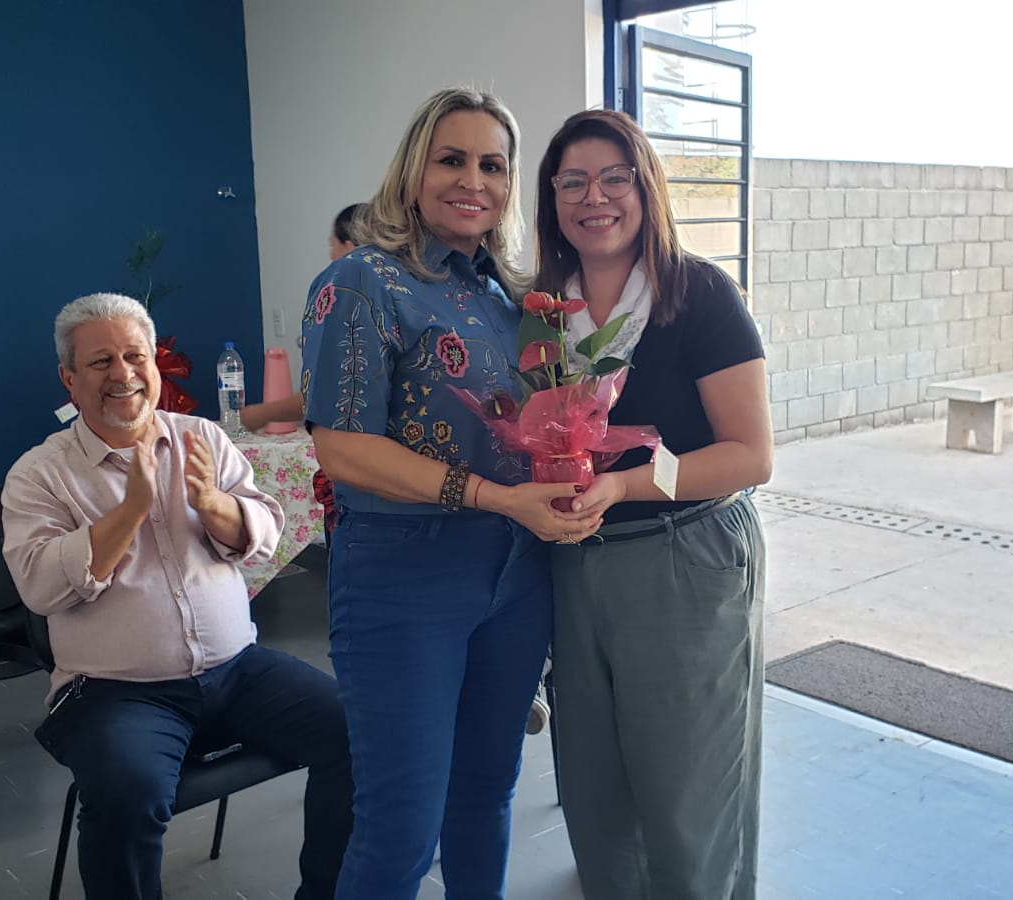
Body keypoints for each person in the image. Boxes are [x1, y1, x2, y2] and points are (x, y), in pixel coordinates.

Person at [300, 87, 592, 900]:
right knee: (401, 826)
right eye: (451, 159)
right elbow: (342, 447)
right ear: (413, 169)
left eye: (492, 165)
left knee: (486, 793)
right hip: (403, 581)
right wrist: (496, 498)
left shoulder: (512, 296)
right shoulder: (360, 281)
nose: (473, 181)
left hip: (515, 577)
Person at [1, 292, 353, 900]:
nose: (123, 373)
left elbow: (265, 530)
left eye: (135, 355)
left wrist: (214, 504)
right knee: (128, 795)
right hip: (117, 693)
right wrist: (131, 509)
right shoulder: (39, 474)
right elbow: (39, 585)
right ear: (69, 379)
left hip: (237, 670)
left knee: (356, 734)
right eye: (101, 361)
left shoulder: (203, 438)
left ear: (155, 364)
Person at [535, 109, 773, 900]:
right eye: (572, 181)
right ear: (551, 198)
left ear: (646, 188)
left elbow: (750, 456)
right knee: (596, 793)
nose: (594, 197)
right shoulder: (542, 308)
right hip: (574, 567)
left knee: (687, 798)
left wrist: (626, 484)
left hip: (684, 557)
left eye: (615, 178)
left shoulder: (697, 295)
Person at [241, 202, 370, 538]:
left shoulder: (346, 301)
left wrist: (259, 414)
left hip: (359, 476)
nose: (330, 255)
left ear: (350, 247)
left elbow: (327, 395)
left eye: (332, 245)